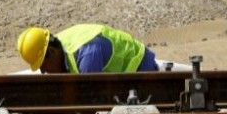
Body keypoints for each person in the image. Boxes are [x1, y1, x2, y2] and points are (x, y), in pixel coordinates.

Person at [16, 24, 158, 74]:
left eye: (42, 65)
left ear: (52, 52)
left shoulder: (87, 55)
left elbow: (93, 102)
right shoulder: (59, 45)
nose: (43, 72)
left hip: (140, 68)